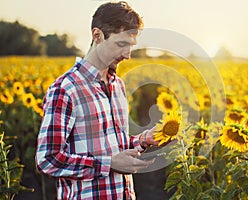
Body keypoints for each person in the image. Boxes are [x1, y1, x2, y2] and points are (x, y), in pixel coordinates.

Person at [35, 1, 160, 199]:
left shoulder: (117, 85)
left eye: (131, 46)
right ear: (97, 36)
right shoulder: (66, 89)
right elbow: (48, 159)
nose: (127, 55)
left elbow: (113, 145)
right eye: (121, 44)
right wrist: (108, 163)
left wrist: (143, 140)